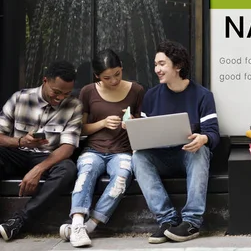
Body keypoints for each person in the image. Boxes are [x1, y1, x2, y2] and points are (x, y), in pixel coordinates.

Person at [131, 40, 220, 244]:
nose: (157, 69)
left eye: (162, 64)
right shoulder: (151, 96)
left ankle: (191, 222)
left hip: (189, 155)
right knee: (139, 157)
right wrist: (134, 128)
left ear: (177, 66)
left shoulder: (202, 96)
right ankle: (167, 220)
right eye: (156, 64)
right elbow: (145, 134)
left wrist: (203, 138)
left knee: (201, 150)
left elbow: (213, 133)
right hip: (161, 156)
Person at [59, 49, 145, 247]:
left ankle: (89, 227)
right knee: (85, 173)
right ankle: (78, 222)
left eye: (117, 74)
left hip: (122, 151)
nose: (114, 81)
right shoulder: (88, 91)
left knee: (121, 179)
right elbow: (79, 129)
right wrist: (103, 123)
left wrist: (133, 123)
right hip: (94, 150)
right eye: (107, 77)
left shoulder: (137, 90)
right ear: (97, 76)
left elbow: (143, 126)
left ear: (122, 68)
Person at [0, 61, 82, 241]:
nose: (60, 98)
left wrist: (39, 169)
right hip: (17, 153)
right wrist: (20, 141)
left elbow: (68, 147)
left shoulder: (74, 105)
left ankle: (19, 221)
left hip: (47, 157)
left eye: (66, 93)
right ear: (45, 81)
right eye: (56, 92)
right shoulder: (20, 98)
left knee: (68, 169)